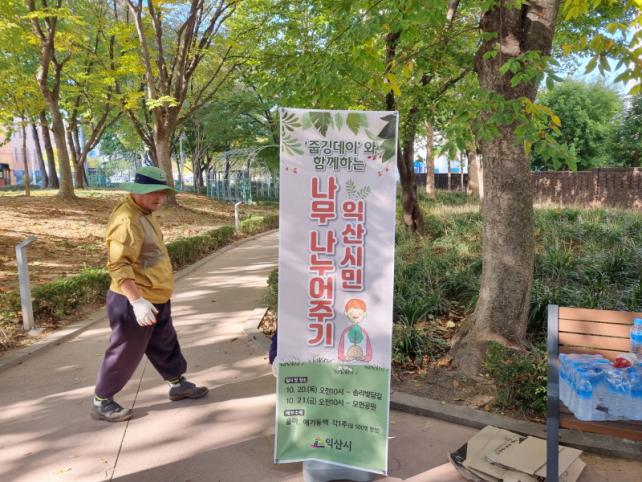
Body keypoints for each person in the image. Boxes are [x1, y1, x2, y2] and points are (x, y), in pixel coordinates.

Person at [91, 166, 208, 422]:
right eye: (154, 192)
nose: (160, 197)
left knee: (165, 341)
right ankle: (102, 401)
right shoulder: (127, 220)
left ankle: (177, 383)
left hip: (155, 295)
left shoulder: (145, 211)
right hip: (134, 299)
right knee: (125, 350)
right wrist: (136, 301)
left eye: (163, 192)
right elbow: (118, 264)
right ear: (138, 191)